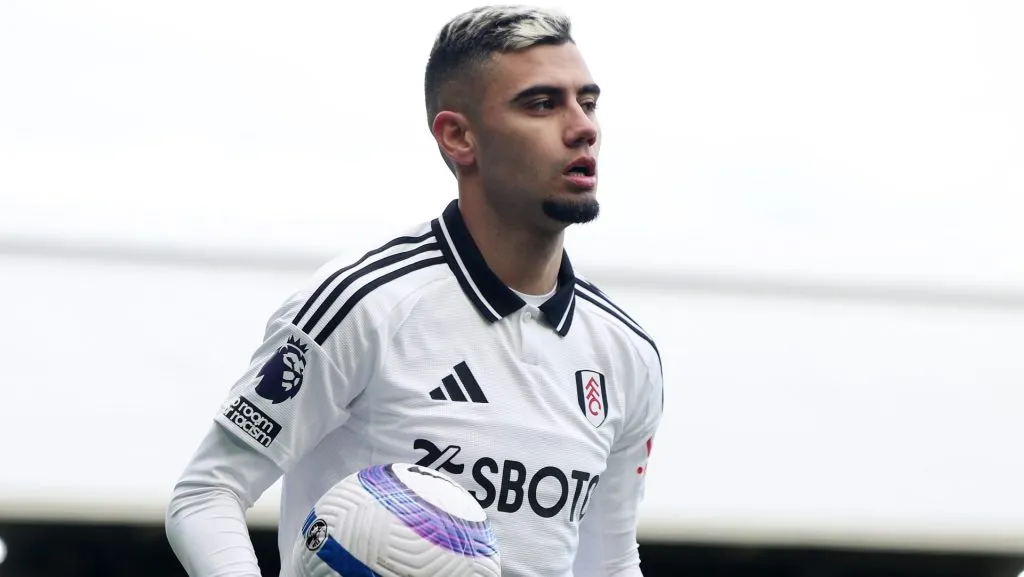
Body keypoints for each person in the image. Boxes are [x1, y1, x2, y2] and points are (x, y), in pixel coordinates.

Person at [165, 5, 663, 576]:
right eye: (542, 104)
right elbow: (206, 495)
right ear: (458, 137)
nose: (584, 127)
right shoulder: (366, 303)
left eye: (588, 101)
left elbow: (611, 561)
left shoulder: (626, 353)